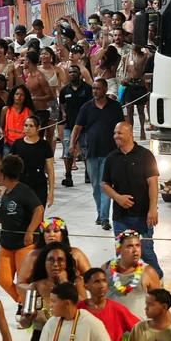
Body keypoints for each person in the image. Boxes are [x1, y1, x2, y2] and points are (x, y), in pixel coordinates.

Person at [0, 154, 43, 304]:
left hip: (24, 244)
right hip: (6, 243)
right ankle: (23, 302)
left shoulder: (24, 191)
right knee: (3, 279)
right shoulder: (6, 192)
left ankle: (26, 308)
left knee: (23, 281)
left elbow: (39, 210)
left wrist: (30, 231)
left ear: (2, 174)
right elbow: (7, 215)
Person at [102, 121, 162, 275]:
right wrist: (118, 198)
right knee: (122, 255)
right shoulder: (111, 158)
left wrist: (152, 209)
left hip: (142, 216)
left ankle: (157, 284)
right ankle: (124, 288)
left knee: (146, 252)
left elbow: (153, 184)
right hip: (120, 217)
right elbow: (105, 185)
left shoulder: (145, 155)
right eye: (115, 133)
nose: (116, 136)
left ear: (130, 134)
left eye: (119, 133)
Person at [69, 79, 127, 230]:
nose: (95, 91)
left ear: (106, 89)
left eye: (98, 89)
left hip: (110, 153)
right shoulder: (87, 107)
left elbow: (123, 127)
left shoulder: (115, 107)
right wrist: (72, 144)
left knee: (104, 185)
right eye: (93, 88)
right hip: (92, 152)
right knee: (95, 186)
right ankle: (100, 212)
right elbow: (77, 126)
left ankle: (104, 218)